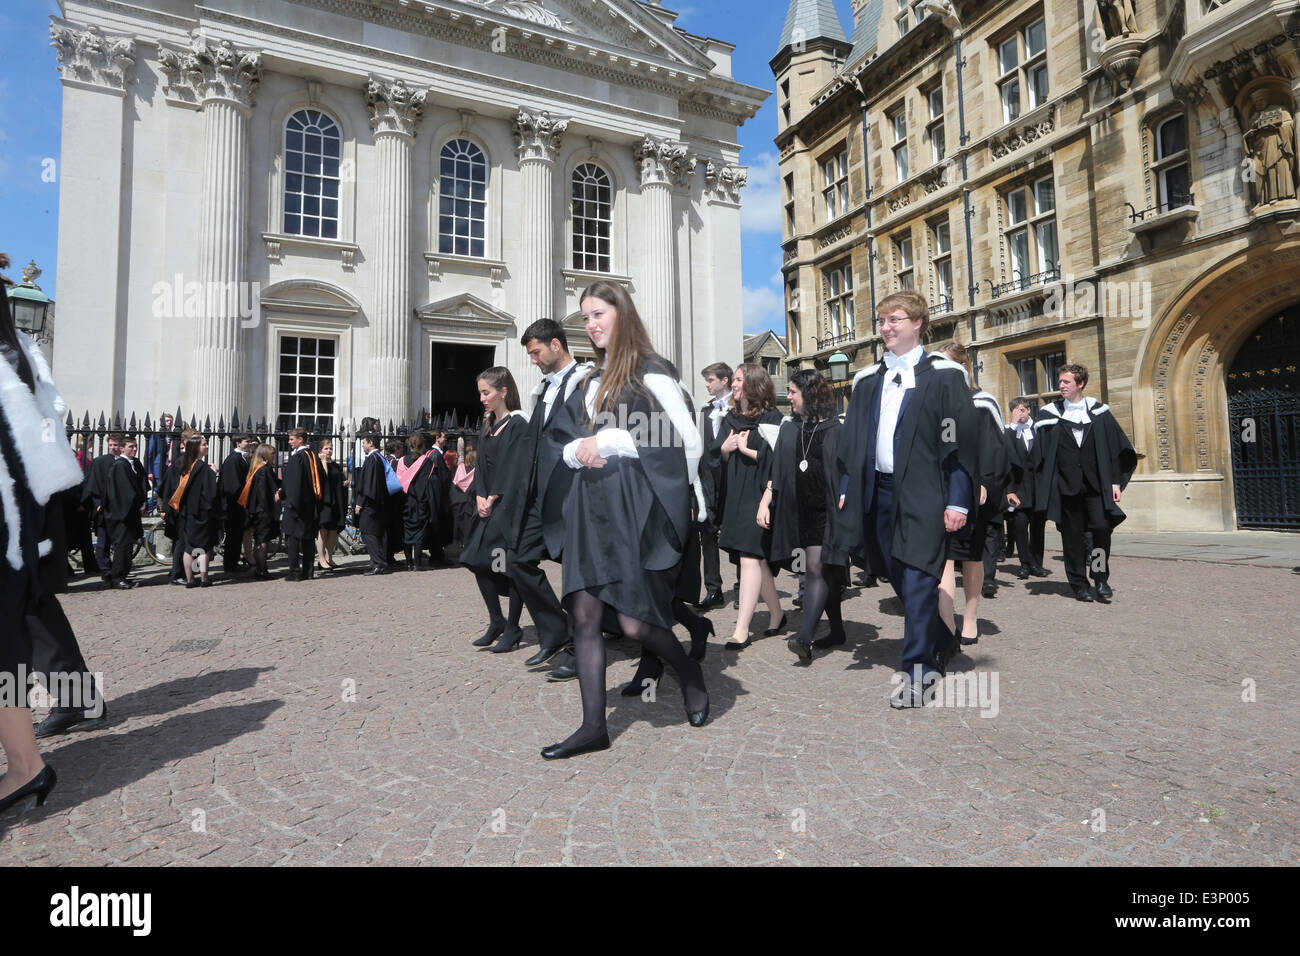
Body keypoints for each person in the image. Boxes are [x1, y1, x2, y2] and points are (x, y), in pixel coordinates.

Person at [540, 280, 708, 760]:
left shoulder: (651, 373)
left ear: (622, 314)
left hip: (635, 509)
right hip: (589, 511)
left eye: (599, 314)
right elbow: (560, 440)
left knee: (634, 624)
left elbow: (686, 442)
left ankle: (688, 671)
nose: (592, 324)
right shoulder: (586, 381)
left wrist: (612, 442)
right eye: (586, 317)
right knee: (585, 615)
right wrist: (576, 449)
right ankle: (593, 726)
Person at [831, 291, 978, 709]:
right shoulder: (868, 380)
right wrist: (846, 488)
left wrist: (958, 500)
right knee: (891, 572)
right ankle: (944, 640)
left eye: (894, 319)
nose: (885, 328)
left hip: (925, 492)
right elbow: (852, 444)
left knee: (917, 581)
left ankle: (919, 670)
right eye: (881, 321)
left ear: (918, 324)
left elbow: (961, 445)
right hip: (877, 491)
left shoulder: (945, 376)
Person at [2, 281, 107, 753]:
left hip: (18, 501)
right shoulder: (20, 353)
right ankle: (70, 701)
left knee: (25, 609)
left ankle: (57, 710)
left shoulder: (15, 355)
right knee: (29, 610)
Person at [513, 318, 590, 673]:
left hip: (573, 493)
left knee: (575, 575)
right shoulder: (543, 389)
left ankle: (579, 647)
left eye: (536, 352)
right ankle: (554, 631)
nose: (533, 360)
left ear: (556, 345)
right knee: (517, 560)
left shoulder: (587, 383)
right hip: (539, 496)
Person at [758, 369, 846, 663]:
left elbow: (848, 468)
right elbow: (778, 470)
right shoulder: (790, 427)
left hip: (829, 512)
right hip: (799, 511)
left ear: (809, 393)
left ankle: (804, 637)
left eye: (793, 391)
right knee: (826, 573)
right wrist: (768, 498)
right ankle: (836, 630)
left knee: (815, 568)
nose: (789, 397)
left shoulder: (835, 428)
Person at [1033, 364, 1137, 602]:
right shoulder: (1049, 415)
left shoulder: (1099, 414)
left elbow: (1115, 451)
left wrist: (1114, 483)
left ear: (1080, 384)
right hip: (1066, 488)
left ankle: (1100, 578)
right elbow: (1040, 455)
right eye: (1059, 382)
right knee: (1072, 538)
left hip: (1096, 486)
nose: (1061, 386)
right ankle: (1079, 583)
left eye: (1066, 382)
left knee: (1101, 530)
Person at [933, 341, 1010, 647]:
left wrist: (983, 483)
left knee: (971, 558)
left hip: (973, 489)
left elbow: (993, 449)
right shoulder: (936, 403)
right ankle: (944, 623)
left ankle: (970, 618)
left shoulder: (981, 402)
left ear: (962, 368)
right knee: (944, 559)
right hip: (939, 490)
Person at [459, 368, 529, 653]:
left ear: (503, 391)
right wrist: (479, 494)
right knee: (476, 560)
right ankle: (496, 620)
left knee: (510, 567)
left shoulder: (519, 424)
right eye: (480, 393)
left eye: (486, 392)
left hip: (508, 507)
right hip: (485, 506)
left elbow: (516, 466)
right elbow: (482, 466)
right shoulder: (488, 424)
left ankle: (513, 627)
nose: (482, 398)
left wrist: (494, 496)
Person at [717, 364, 785, 650]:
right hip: (735, 495)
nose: (733, 385)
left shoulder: (772, 419)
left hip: (760, 495)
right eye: (733, 380)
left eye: (739, 380)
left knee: (749, 558)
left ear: (753, 385)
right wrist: (725, 449)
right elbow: (717, 458)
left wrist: (746, 450)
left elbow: (778, 461)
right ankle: (778, 615)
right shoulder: (730, 418)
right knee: (757, 560)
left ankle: (741, 629)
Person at [694, 362, 733, 611]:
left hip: (732, 478)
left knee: (736, 536)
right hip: (708, 480)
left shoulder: (739, 408)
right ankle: (713, 590)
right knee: (707, 534)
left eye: (710, 380)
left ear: (724, 380)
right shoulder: (706, 410)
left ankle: (743, 585)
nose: (707, 384)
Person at [1003, 398, 1049, 579]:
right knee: (1020, 527)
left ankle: (1037, 564)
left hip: (1038, 488)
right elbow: (1007, 455)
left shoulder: (1039, 429)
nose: (1020, 413)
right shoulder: (1008, 432)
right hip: (1018, 488)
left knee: (1038, 528)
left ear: (1029, 410)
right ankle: (1024, 563)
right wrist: (1013, 425)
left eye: (1023, 409)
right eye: (1016, 410)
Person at [170, 435, 221, 588]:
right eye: (204, 444)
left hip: (187, 512)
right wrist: (214, 473)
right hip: (201, 513)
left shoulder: (186, 465)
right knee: (203, 548)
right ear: (196, 448)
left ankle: (190, 579)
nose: (206, 446)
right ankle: (204, 578)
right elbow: (211, 493)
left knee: (189, 547)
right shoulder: (204, 468)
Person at [101, 434, 147, 590]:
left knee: (127, 546)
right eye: (131, 447)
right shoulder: (121, 465)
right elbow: (125, 492)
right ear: (121, 448)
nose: (134, 449)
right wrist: (138, 504)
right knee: (122, 546)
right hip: (122, 514)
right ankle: (117, 577)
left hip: (128, 513)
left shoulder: (129, 464)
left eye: (135, 446)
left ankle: (121, 575)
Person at [281, 427, 323, 582]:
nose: (289, 442)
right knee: (308, 539)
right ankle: (308, 570)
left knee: (292, 539)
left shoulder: (297, 457)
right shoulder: (312, 456)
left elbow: (294, 483)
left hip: (297, 505)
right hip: (311, 505)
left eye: (292, 439)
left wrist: (289, 502)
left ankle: (295, 572)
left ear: (300, 439)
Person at [158, 426, 199, 585]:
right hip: (180, 509)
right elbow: (172, 487)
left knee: (182, 542)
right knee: (181, 543)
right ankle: (177, 574)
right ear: (187, 442)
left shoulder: (188, 461)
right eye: (196, 439)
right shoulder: (181, 462)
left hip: (182, 509)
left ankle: (180, 570)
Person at [80, 431, 123, 580]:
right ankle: (104, 568)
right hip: (103, 507)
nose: (113, 448)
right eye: (110, 445)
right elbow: (92, 485)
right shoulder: (100, 462)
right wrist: (97, 504)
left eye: (116, 445)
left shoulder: (127, 462)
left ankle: (118, 567)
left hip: (121, 508)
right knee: (103, 540)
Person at [396, 431, 440, 572]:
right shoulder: (427, 462)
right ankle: (417, 564)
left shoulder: (401, 461)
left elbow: (398, 483)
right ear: (422, 446)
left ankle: (408, 563)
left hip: (404, 501)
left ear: (409, 445)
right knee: (420, 532)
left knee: (406, 532)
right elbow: (431, 484)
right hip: (420, 501)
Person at [354, 431, 393, 575]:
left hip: (371, 504)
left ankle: (378, 563)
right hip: (378, 503)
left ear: (371, 443)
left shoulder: (372, 459)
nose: (363, 446)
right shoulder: (379, 458)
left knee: (368, 533)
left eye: (364, 443)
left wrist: (360, 503)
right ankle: (377, 562)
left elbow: (368, 485)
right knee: (375, 533)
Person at [240, 443, 280, 580]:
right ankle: (262, 570)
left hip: (257, 510)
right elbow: (263, 493)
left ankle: (260, 568)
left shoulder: (258, 469)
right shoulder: (264, 470)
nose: (274, 456)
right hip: (262, 511)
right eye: (272, 454)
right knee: (262, 541)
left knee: (260, 540)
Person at [218, 434, 254, 575]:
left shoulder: (241, 459)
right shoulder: (234, 460)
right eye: (247, 441)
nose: (249, 443)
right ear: (238, 443)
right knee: (233, 537)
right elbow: (233, 486)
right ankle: (230, 564)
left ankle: (233, 562)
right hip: (234, 506)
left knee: (236, 536)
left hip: (238, 505)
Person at [316, 437, 348, 572]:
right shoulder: (318, 464)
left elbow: (339, 478)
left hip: (337, 500)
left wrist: (344, 482)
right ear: (320, 450)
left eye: (331, 448)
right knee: (323, 530)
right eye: (326, 448)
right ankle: (321, 558)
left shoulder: (335, 465)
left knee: (334, 530)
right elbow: (324, 478)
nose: (329, 451)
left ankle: (329, 557)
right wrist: (323, 461)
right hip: (324, 501)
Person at [450, 444, 476, 545]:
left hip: (458, 502)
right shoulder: (476, 470)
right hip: (469, 503)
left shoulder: (460, 468)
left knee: (459, 529)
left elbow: (454, 485)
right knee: (469, 531)